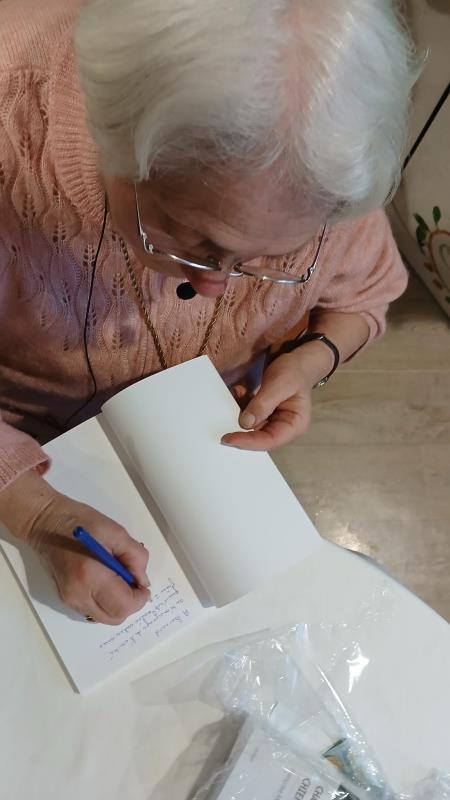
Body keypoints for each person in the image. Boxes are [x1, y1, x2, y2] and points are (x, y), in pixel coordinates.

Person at [0, 0, 418, 624]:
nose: (217, 288)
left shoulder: (320, 150)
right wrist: (36, 513)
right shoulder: (13, 126)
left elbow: (368, 292)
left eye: (273, 255)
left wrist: (311, 361)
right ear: (116, 136)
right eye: (192, 239)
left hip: (200, 456)